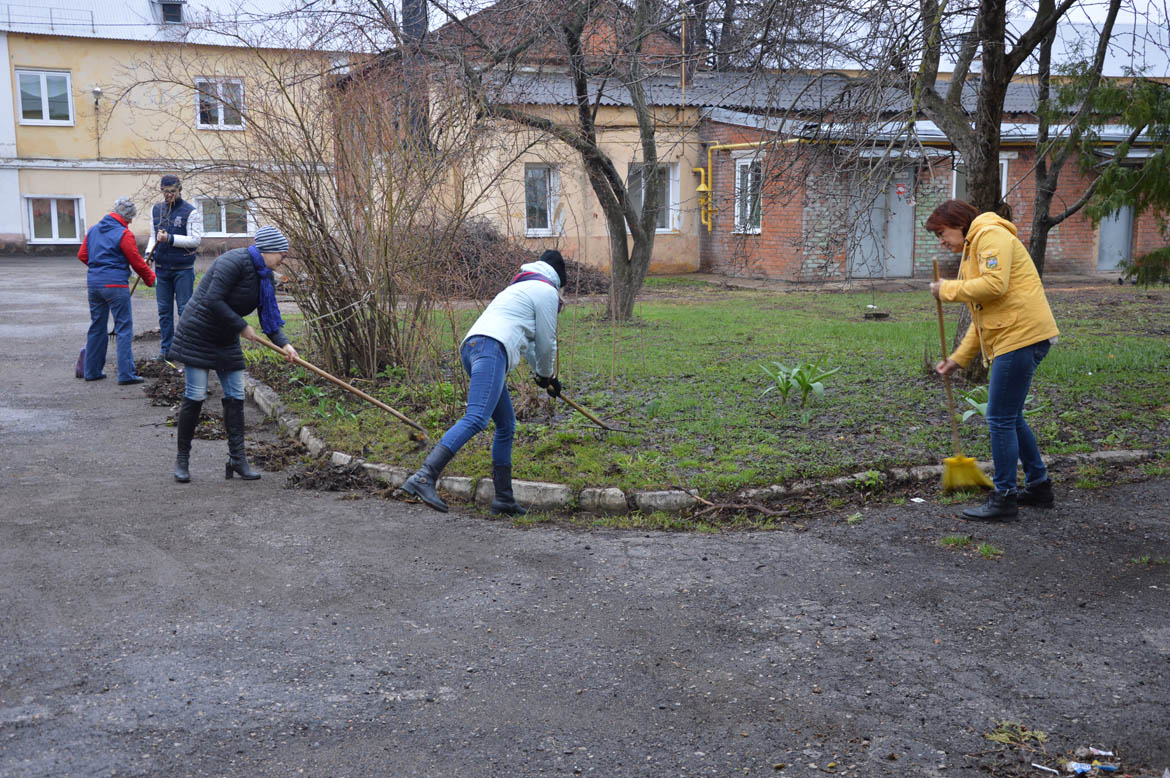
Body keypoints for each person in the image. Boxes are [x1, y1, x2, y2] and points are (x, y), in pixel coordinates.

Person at [402, 249, 567, 515]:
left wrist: (544, 376)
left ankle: (503, 498)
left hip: (474, 348)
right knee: (477, 418)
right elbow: (547, 342)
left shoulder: (520, 287)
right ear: (558, 279)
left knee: (506, 424)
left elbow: (536, 345)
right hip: (491, 350)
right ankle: (424, 476)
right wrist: (547, 375)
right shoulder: (546, 291)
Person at [926, 199, 1060, 521]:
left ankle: (1004, 499)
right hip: (1016, 336)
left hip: (1020, 336)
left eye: (942, 233)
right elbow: (980, 318)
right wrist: (957, 360)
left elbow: (993, 285)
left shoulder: (990, 235)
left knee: (999, 418)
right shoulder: (975, 247)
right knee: (1011, 417)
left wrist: (948, 290)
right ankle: (1039, 487)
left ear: (959, 224)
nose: (941, 241)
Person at [166, 226, 298, 483]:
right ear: (268, 250)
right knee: (195, 395)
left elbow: (269, 317)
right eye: (282, 254)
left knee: (236, 395)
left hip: (226, 338)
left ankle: (237, 459)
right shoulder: (233, 261)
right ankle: (182, 460)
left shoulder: (265, 277)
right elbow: (213, 300)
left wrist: (284, 344)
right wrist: (241, 326)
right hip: (198, 333)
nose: (283, 259)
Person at [78, 197, 156, 384]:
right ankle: (126, 375)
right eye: (130, 219)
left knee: (97, 327)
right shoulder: (123, 234)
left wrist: (98, 269)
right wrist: (150, 278)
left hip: (94, 285)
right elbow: (136, 261)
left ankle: (92, 371)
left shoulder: (93, 230)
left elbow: (82, 255)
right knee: (123, 328)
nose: (130, 222)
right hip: (115, 286)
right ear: (127, 217)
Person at [145, 175, 203, 361]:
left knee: (185, 310)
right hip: (161, 268)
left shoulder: (190, 212)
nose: (168, 195)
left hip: (183, 268)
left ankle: (185, 349)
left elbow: (195, 240)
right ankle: (166, 349)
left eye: (172, 191)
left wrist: (170, 238)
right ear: (161, 190)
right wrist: (148, 255)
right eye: (165, 191)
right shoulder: (156, 210)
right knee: (164, 311)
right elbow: (153, 237)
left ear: (179, 190)